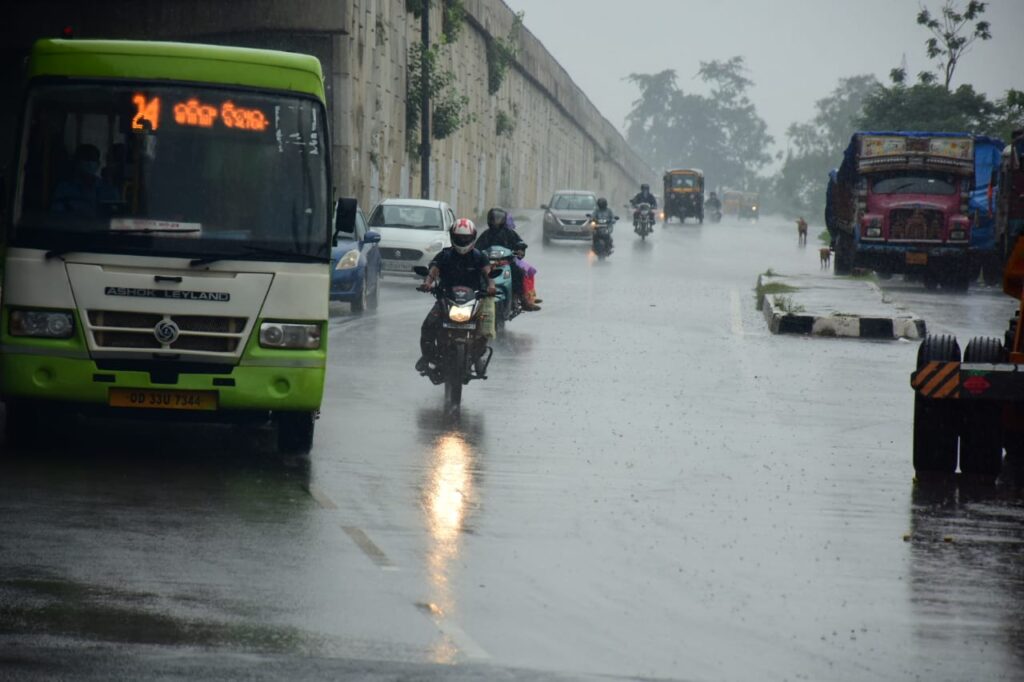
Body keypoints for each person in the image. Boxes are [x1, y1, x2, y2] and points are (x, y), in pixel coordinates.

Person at [416, 218, 495, 375]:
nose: (463, 240)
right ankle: (428, 357)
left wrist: (491, 286)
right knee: (428, 325)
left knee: (484, 329)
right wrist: (428, 283)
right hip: (446, 298)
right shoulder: (445, 255)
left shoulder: (479, 256)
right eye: (459, 237)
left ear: (473, 238)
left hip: (474, 300)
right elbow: (433, 270)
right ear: (453, 237)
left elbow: (488, 272)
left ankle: (477, 355)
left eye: (466, 238)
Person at [475, 207, 539, 311]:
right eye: (494, 219)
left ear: (503, 220)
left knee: (518, 272)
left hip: (506, 263)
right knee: (477, 274)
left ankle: (523, 300)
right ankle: (476, 298)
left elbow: (519, 243)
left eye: (499, 219)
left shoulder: (509, 233)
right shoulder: (486, 234)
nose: (496, 222)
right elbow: (477, 248)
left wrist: (520, 249)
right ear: (489, 219)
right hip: (489, 264)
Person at [51, 143, 120, 217]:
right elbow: (56, 213)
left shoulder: (109, 190)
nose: (89, 163)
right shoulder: (64, 188)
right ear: (77, 162)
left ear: (98, 164)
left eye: (93, 159)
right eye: (86, 159)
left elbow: (116, 214)